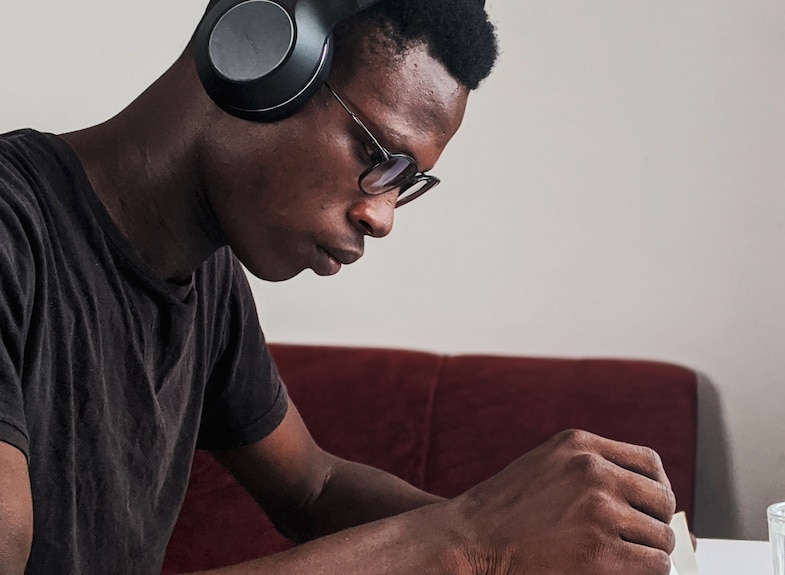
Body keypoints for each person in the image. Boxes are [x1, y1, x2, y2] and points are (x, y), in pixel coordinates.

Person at [0, 1, 678, 573]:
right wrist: (469, 536)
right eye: (378, 158)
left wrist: (528, 526)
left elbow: (313, 487)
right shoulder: (12, 230)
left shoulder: (208, 280)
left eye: (404, 184)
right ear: (257, 56)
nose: (380, 218)